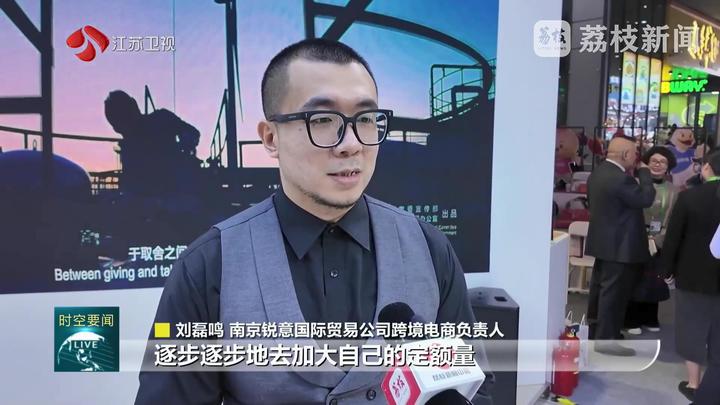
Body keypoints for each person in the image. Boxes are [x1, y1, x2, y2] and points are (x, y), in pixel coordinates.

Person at [135, 39, 493, 404]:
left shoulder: (429, 249)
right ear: (271, 138)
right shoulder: (208, 267)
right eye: (322, 120)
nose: (351, 144)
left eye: (366, 119)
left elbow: (476, 386)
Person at [584, 135, 656, 356]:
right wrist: (644, 173)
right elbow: (646, 198)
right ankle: (607, 341)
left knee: (601, 291)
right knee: (613, 296)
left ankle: (598, 333)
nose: (636, 158)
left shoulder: (597, 174)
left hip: (603, 243)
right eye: (635, 153)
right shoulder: (620, 179)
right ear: (625, 154)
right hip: (620, 246)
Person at [660, 150, 720, 404]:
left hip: (692, 275)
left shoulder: (689, 197)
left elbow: (673, 238)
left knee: (691, 327)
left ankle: (694, 383)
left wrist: (666, 270)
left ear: (706, 168)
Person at [623, 146, 678, 335]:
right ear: (647, 163)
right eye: (654, 161)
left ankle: (650, 317)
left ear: (668, 166)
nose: (657, 165)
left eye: (662, 162)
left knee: (655, 280)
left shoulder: (674, 190)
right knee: (634, 280)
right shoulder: (635, 184)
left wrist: (658, 239)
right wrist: (643, 237)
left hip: (660, 239)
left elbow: (673, 220)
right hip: (635, 238)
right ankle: (630, 320)